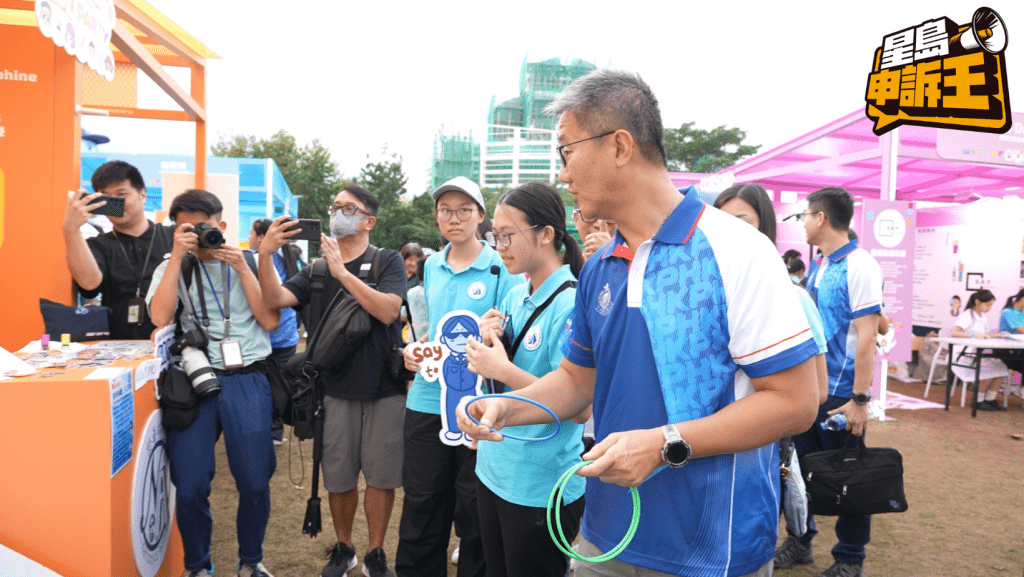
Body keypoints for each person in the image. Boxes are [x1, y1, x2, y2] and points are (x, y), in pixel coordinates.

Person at [457, 69, 818, 577]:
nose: (562, 174)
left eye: (567, 151)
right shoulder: (600, 268)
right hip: (603, 541)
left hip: (713, 550)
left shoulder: (736, 251)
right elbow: (578, 382)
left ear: (620, 146)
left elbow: (796, 402)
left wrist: (664, 442)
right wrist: (504, 406)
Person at [258, 184, 407, 577]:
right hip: (332, 392)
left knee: (381, 477)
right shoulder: (316, 270)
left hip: (383, 388)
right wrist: (265, 254)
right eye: (335, 207)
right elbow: (274, 301)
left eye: (348, 208)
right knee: (338, 479)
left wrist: (344, 272)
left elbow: (389, 311)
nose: (338, 213)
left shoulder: (386, 261)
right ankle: (344, 548)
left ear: (369, 221)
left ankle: (376, 552)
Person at [146, 189, 279, 577]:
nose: (200, 236)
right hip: (194, 379)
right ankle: (197, 565)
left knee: (255, 482)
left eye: (205, 227)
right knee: (188, 485)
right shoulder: (172, 265)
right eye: (188, 228)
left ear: (222, 226)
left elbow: (270, 321)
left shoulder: (251, 262)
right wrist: (175, 257)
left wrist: (241, 268)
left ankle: (251, 561)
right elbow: (159, 317)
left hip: (247, 377)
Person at [460, 182, 587, 577]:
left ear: (547, 234)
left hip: (540, 483)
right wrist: (488, 339)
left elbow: (580, 408)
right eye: (494, 236)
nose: (499, 245)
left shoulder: (571, 303)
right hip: (495, 468)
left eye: (507, 235)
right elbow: (506, 369)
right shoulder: (517, 293)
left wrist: (500, 368)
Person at [397, 176, 516, 577]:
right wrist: (416, 349)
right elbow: (435, 329)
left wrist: (495, 325)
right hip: (427, 403)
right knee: (421, 505)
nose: (454, 218)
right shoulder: (432, 265)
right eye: (445, 210)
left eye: (464, 210)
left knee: (474, 510)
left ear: (481, 216)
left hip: (478, 406)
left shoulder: (501, 266)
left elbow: (509, 324)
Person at [777, 186, 883, 577]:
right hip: (811, 389)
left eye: (804, 215)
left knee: (848, 479)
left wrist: (860, 399)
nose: (802, 222)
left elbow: (868, 336)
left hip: (841, 395)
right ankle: (801, 541)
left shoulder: (861, 265)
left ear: (820, 217)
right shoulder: (822, 263)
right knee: (800, 473)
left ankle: (850, 559)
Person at [714, 183, 828, 405]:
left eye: (741, 223)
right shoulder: (707, 296)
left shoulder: (794, 298)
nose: (728, 232)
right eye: (719, 223)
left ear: (763, 227)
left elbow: (818, 391)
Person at [62, 160, 174, 339]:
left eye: (121, 195)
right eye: (106, 197)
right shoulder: (98, 245)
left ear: (142, 195)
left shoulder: (172, 237)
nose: (115, 203)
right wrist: (71, 229)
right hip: (118, 344)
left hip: (170, 344)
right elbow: (89, 285)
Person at [248, 218, 298, 444]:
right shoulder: (286, 259)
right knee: (279, 386)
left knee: (265, 388)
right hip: (287, 335)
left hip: (268, 336)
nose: (248, 238)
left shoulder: (260, 261)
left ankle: (270, 431)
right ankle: (275, 432)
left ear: (261, 237)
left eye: (251, 233)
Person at [951, 289, 1010, 411]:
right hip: (963, 354)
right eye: (987, 304)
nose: (989, 308)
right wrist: (974, 336)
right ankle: (978, 400)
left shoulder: (983, 316)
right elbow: (954, 332)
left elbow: (983, 334)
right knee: (990, 369)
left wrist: (996, 335)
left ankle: (990, 399)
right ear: (977, 302)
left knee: (1002, 368)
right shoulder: (967, 315)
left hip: (977, 353)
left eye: (991, 305)